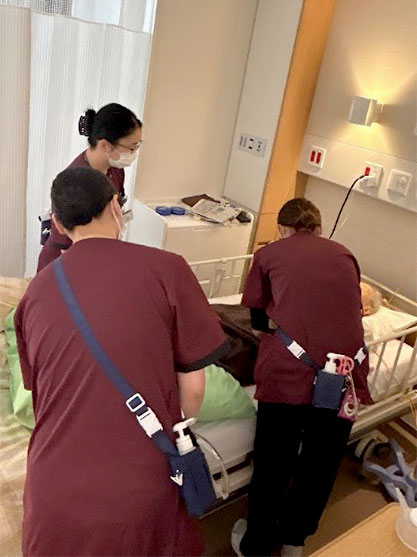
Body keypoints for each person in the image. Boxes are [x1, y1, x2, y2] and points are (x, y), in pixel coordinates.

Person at [15, 167, 230, 556]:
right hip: (136, 489)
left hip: (52, 489)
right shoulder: (168, 269)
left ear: (58, 224)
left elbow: (42, 393)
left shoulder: (36, 293)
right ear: (116, 206)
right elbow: (194, 389)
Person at [231, 198, 372, 557]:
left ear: (282, 229)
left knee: (274, 463)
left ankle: (257, 544)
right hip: (344, 375)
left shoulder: (269, 254)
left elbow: (258, 318)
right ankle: (295, 540)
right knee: (321, 465)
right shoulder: (345, 255)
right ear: (319, 228)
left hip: (290, 374)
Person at [37, 103, 142, 273]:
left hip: (96, 253)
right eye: (131, 147)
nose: (134, 152)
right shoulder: (74, 183)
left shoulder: (115, 169)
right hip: (66, 261)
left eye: (138, 145)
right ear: (105, 145)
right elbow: (64, 239)